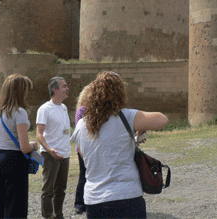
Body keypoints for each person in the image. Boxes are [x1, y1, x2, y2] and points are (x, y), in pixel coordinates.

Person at [71, 71, 169, 219]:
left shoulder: (81, 125)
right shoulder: (126, 116)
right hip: (126, 194)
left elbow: (85, 158)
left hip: (95, 199)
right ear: (120, 93)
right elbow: (162, 120)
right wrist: (140, 127)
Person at [0, 74, 38, 218]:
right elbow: (24, 147)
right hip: (13, 159)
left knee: (0, 201)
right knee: (15, 205)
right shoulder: (19, 112)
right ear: (20, 91)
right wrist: (34, 145)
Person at [36, 76, 71, 219]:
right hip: (50, 154)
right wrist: (49, 149)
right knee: (48, 189)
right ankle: (48, 216)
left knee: (61, 189)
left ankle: (59, 215)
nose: (67, 88)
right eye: (64, 86)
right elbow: (39, 134)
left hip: (64, 154)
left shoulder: (64, 108)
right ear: (55, 89)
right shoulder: (44, 109)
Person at [73, 84, 92, 215]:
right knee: (83, 175)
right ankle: (79, 203)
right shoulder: (82, 110)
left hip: (94, 147)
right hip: (83, 147)